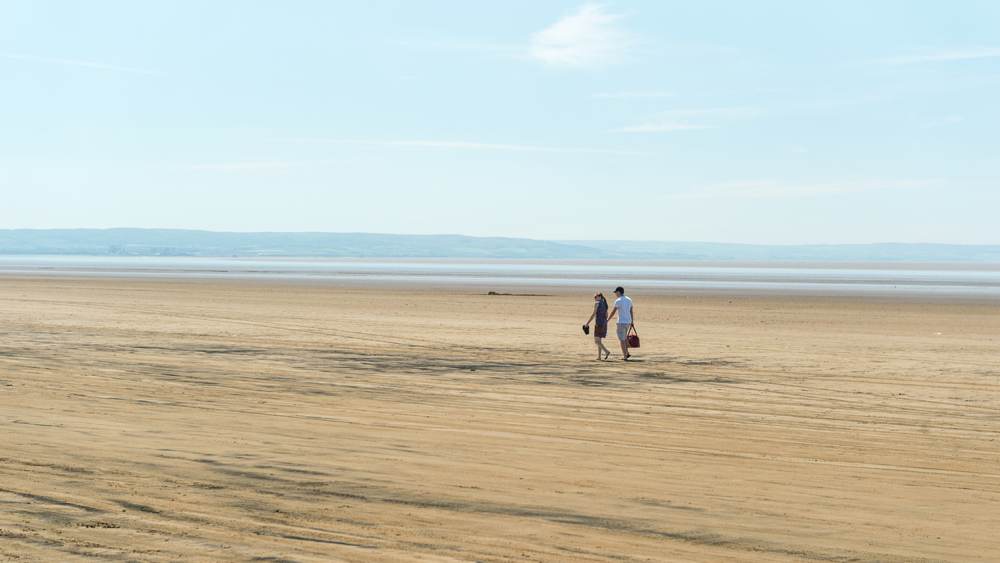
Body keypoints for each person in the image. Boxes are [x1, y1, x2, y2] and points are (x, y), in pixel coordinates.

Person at [606, 286, 635, 360]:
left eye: (616, 292)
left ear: (619, 292)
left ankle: (625, 356)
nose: (615, 294)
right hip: (628, 321)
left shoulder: (618, 300)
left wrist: (608, 320)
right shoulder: (629, 299)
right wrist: (632, 321)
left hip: (621, 322)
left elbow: (613, 312)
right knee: (624, 338)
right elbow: (631, 311)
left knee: (622, 340)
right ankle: (627, 353)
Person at [584, 292, 612, 360]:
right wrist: (605, 322)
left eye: (595, 297)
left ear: (599, 297)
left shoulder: (597, 303)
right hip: (604, 324)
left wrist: (587, 323)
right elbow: (606, 315)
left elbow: (593, 314)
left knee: (596, 341)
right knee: (599, 340)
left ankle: (606, 351)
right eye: (594, 297)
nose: (595, 298)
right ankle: (599, 357)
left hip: (599, 324)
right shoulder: (604, 303)